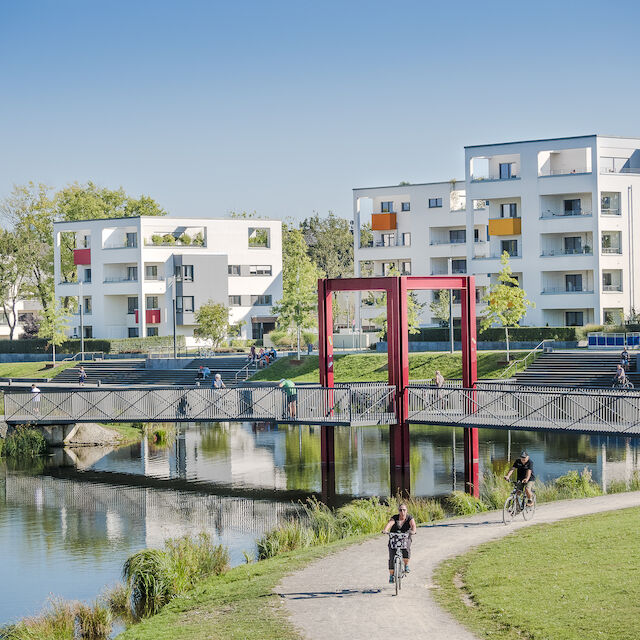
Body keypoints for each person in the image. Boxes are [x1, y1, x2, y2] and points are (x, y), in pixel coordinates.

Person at [383, 503, 417, 582]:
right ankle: (391, 575)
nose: (402, 512)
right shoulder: (395, 517)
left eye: (404, 510)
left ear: (406, 511)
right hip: (394, 538)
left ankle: (406, 565)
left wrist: (413, 531)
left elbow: (413, 525)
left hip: (405, 538)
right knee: (392, 557)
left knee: (406, 550)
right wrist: (385, 530)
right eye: (400, 510)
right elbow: (390, 523)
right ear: (398, 511)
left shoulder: (409, 518)